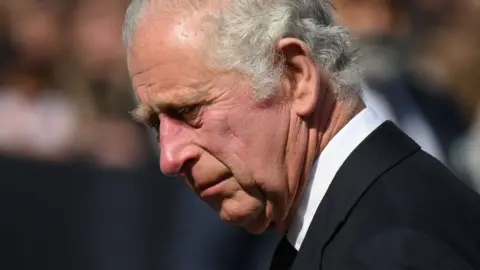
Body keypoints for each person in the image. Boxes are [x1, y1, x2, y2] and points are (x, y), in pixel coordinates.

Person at [123, 0, 480, 269]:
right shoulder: (367, 222)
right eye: (156, 124)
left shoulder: (390, 251)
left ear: (296, 77)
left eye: (189, 111)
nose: (169, 158)